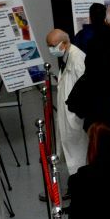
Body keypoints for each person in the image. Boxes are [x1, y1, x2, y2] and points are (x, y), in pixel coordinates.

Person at [45, 28, 90, 174]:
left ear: (64, 43)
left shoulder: (78, 59)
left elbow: (84, 88)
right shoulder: (67, 56)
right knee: (73, 151)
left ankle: (79, 179)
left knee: (79, 153)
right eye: (48, 46)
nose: (51, 49)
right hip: (68, 113)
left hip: (76, 116)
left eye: (53, 46)